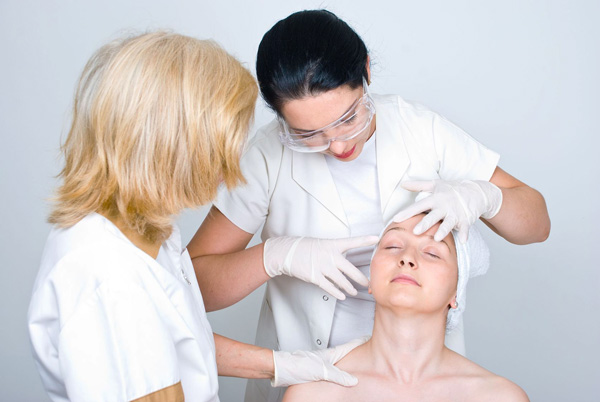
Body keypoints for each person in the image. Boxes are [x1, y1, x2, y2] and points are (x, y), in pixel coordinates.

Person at [187, 9, 549, 401]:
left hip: (425, 378)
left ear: (366, 71)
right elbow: (190, 287)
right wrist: (274, 256)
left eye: (348, 118)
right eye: (308, 134)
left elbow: (537, 223)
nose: (338, 145)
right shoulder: (266, 157)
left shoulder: (420, 131)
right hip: (305, 376)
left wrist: (485, 197)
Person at [27, 31, 365, 402]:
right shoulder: (109, 274)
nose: (232, 161)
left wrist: (282, 365)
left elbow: (180, 340)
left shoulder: (140, 231)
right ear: (172, 145)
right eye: (222, 143)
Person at [283, 215, 530, 401]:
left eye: (432, 253)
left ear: (456, 294)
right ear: (371, 279)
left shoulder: (498, 397)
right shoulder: (313, 393)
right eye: (392, 246)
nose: (407, 258)